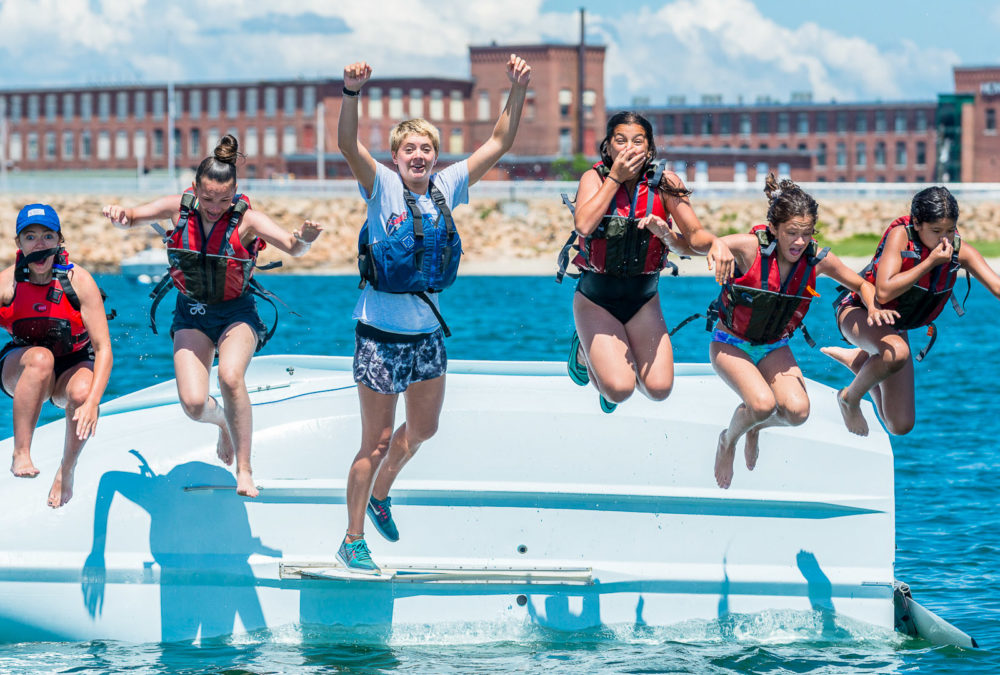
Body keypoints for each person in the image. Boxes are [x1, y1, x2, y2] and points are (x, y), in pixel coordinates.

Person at [335, 54, 531, 573]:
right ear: (396, 156)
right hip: (379, 335)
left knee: (422, 431)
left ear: (435, 157)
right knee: (375, 441)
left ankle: (381, 495)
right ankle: (352, 538)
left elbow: (499, 142)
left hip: (427, 338)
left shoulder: (447, 187)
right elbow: (346, 145)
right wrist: (351, 94)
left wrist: (516, 89)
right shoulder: (379, 185)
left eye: (426, 148)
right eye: (409, 149)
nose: (418, 155)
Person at [102, 135, 322, 498]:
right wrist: (120, 216)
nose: (215, 206)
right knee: (192, 404)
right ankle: (223, 422)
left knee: (231, 377)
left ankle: (245, 469)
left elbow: (294, 247)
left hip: (237, 312)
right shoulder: (178, 208)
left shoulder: (248, 219)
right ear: (195, 190)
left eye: (224, 199)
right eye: (207, 199)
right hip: (191, 312)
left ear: (235, 192)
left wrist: (306, 239)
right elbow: (133, 217)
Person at [709, 175, 896, 489]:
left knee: (797, 412)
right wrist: (716, 247)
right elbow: (707, 243)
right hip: (731, 343)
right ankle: (728, 440)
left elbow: (862, 284)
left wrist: (873, 307)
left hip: (772, 346)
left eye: (806, 234)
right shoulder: (750, 248)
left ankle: (755, 427)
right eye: (791, 233)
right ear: (774, 230)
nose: (799, 242)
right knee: (762, 404)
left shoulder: (817, 261)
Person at [0, 204, 113, 508]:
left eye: (48, 236)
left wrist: (94, 402)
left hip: (74, 362)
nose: (40, 244)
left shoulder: (79, 281)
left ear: (60, 241)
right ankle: (21, 452)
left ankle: (67, 469)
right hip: (23, 366)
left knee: (84, 392)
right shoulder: (4, 285)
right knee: (40, 359)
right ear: (18, 244)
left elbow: (103, 350)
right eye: (30, 237)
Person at [565, 111, 734, 413]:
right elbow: (584, 226)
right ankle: (583, 353)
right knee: (619, 390)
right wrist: (615, 178)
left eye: (637, 141)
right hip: (596, 299)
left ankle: (608, 361)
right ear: (608, 147)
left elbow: (693, 237)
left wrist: (715, 243)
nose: (629, 147)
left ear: (650, 148)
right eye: (620, 140)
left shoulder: (666, 183)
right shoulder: (594, 178)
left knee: (658, 390)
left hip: (643, 299)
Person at [823, 186, 1000, 437]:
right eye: (936, 231)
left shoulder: (956, 249)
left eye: (950, 230)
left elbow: (996, 286)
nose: (944, 239)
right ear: (917, 223)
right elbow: (883, 292)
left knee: (900, 425)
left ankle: (860, 362)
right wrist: (930, 263)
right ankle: (848, 400)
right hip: (859, 311)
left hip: (892, 325)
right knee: (898, 353)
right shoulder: (900, 237)